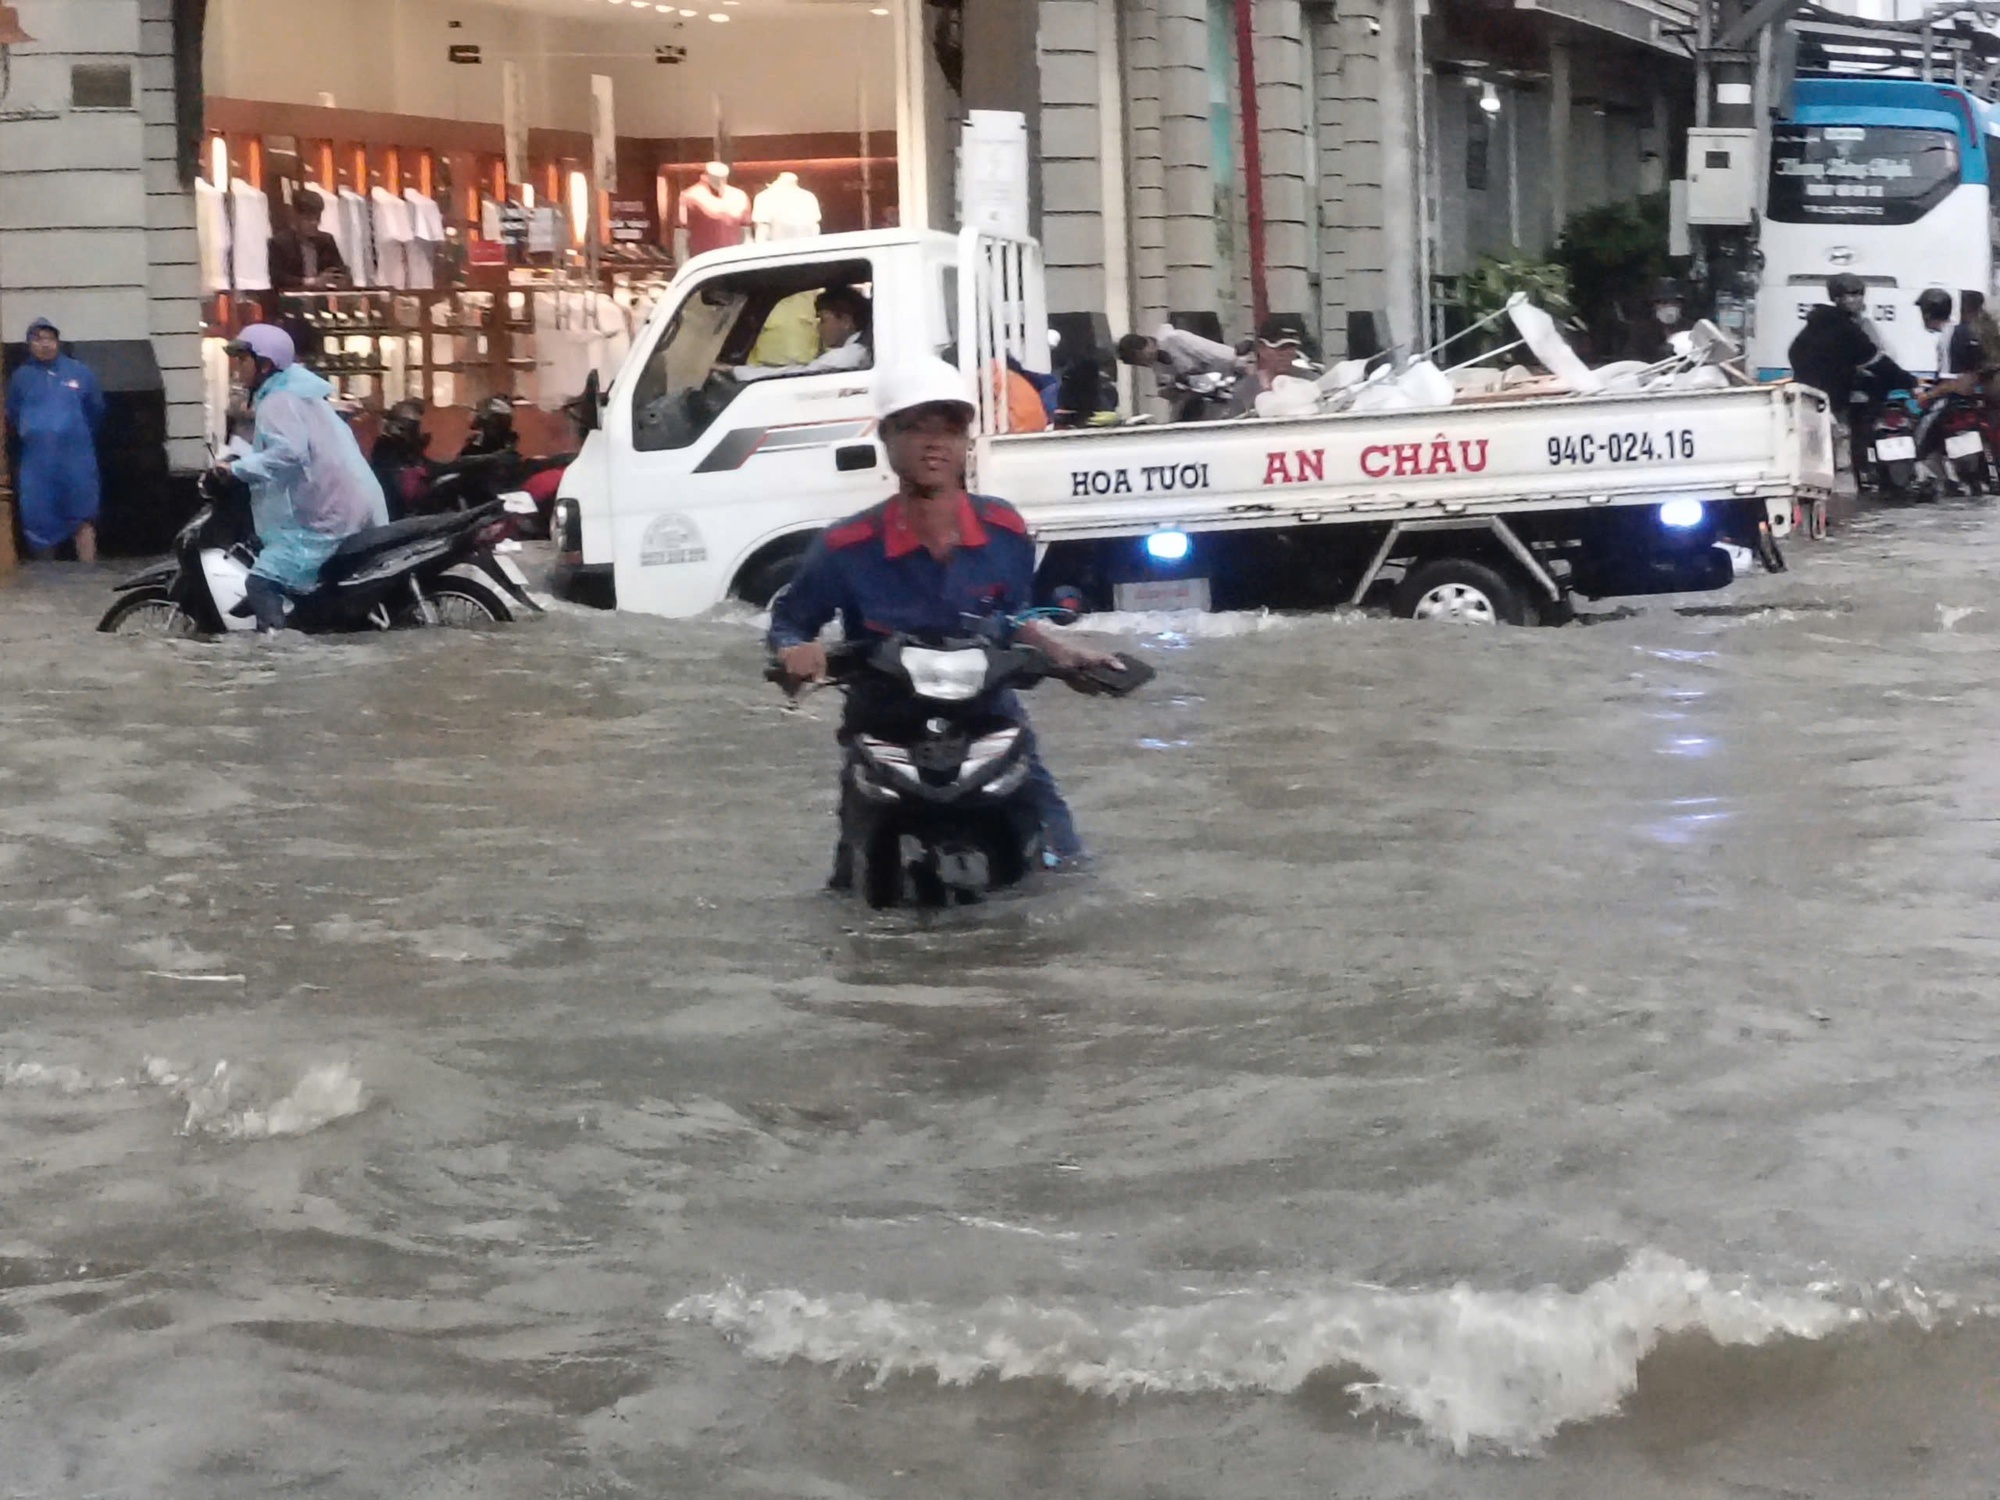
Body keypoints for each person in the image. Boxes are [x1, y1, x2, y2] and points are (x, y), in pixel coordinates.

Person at [768, 358, 1122, 885]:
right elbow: (790, 623)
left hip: (989, 726)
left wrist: (1066, 656)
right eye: (916, 428)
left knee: (1065, 867)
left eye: (950, 429)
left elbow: (1012, 618)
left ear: (967, 442)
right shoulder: (845, 546)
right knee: (852, 884)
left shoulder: (1005, 530)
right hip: (885, 732)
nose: (934, 444)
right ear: (886, 437)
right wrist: (795, 652)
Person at [220, 324, 388, 631]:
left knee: (261, 582)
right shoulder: (300, 391)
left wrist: (237, 469)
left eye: (243, 360)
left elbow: (288, 453)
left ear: (265, 364)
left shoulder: (278, 400)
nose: (237, 368)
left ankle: (281, 653)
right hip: (346, 505)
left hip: (325, 516)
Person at [1789, 272, 1906, 490]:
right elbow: (1873, 359)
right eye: (1848, 295)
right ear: (1836, 298)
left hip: (1838, 396)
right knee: (1836, 446)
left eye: (1858, 294)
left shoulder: (1850, 324)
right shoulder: (1840, 328)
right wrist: (1908, 381)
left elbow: (1877, 356)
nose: (1854, 299)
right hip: (1832, 399)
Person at [6, 317, 104, 562]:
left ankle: (88, 574)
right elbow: (13, 413)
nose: (45, 345)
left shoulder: (80, 372)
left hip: (76, 458)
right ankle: (46, 579)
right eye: (38, 340)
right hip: (37, 462)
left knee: (82, 515)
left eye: (50, 339)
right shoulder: (21, 378)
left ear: (58, 342)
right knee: (38, 518)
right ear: (29, 345)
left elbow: (96, 410)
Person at [732, 286, 872, 384]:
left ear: (846, 321)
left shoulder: (848, 357)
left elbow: (795, 375)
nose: (818, 326)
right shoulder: (852, 353)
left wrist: (736, 372)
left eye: (823, 320)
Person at [1116, 324, 1248, 398]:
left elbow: (1220, 355)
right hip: (1207, 394)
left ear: (1148, 344)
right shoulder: (1157, 366)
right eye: (1142, 363)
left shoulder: (1176, 339)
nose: (1148, 363)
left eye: (1144, 358)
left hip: (1230, 379)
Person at [267, 190, 347, 292]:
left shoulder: (326, 241)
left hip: (322, 299)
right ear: (295, 216)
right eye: (308, 219)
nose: (314, 223)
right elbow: (277, 278)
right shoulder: (280, 243)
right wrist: (312, 282)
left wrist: (336, 277)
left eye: (317, 219)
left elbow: (339, 269)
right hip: (292, 302)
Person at [1625, 279, 1693, 365]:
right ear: (1654, 305)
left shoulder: (1691, 328)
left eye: (1674, 303)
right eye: (1663, 303)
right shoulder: (1641, 330)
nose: (1669, 307)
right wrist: (1658, 356)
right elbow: (1631, 359)